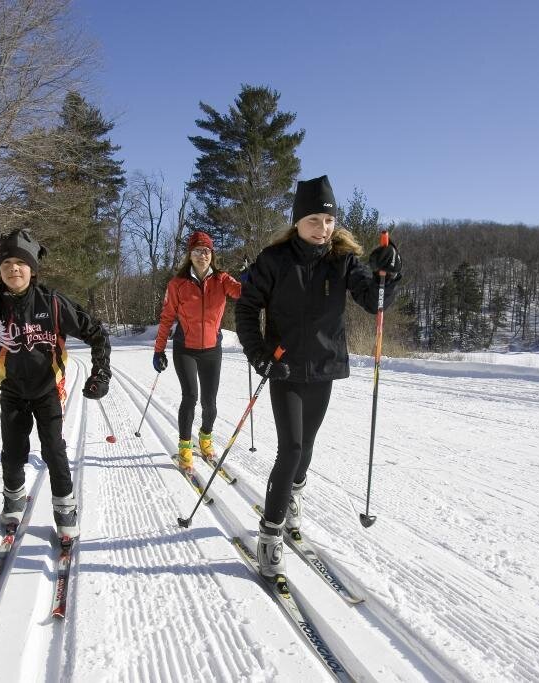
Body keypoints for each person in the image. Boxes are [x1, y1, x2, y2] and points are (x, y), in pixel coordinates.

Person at [235, 176, 402, 580]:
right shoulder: (274, 261)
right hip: (285, 367)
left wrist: (389, 273)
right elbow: (245, 310)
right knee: (290, 448)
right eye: (314, 220)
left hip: (324, 367)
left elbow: (374, 301)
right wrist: (260, 357)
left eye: (328, 220)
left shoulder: (342, 259)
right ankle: (270, 535)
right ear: (297, 222)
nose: (322, 228)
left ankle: (292, 495)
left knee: (306, 448)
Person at [0, 228, 111, 541]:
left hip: (48, 389)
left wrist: (100, 373)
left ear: (32, 269)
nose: (13, 268)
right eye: (7, 264)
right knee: (14, 452)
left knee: (54, 451)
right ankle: (14, 498)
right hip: (12, 391)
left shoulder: (54, 302)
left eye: (20, 263)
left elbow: (97, 332)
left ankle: (64, 507)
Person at [153, 231, 241, 470]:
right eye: (197, 250)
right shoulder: (177, 284)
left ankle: (205, 439)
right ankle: (184, 448)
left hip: (212, 349)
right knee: (190, 397)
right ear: (189, 255)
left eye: (206, 250)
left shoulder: (222, 279)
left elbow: (242, 292)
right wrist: (158, 350)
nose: (202, 255)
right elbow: (167, 317)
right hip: (186, 349)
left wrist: (251, 276)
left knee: (209, 401)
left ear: (212, 254)